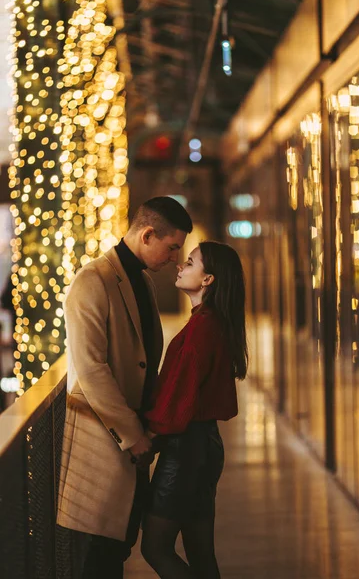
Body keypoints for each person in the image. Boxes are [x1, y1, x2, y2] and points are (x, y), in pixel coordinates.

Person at [56, 196, 193, 579]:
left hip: (132, 441)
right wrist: (133, 435)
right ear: (147, 234)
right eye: (171, 247)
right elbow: (91, 368)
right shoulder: (92, 280)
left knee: (119, 546)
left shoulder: (142, 281)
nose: (173, 257)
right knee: (98, 554)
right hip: (104, 441)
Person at [141, 241, 248, 578]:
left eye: (189, 262)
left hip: (185, 452)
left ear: (207, 280)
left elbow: (179, 397)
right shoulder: (210, 322)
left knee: (155, 548)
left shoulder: (203, 327)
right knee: (201, 554)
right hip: (203, 446)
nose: (180, 267)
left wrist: (147, 435)